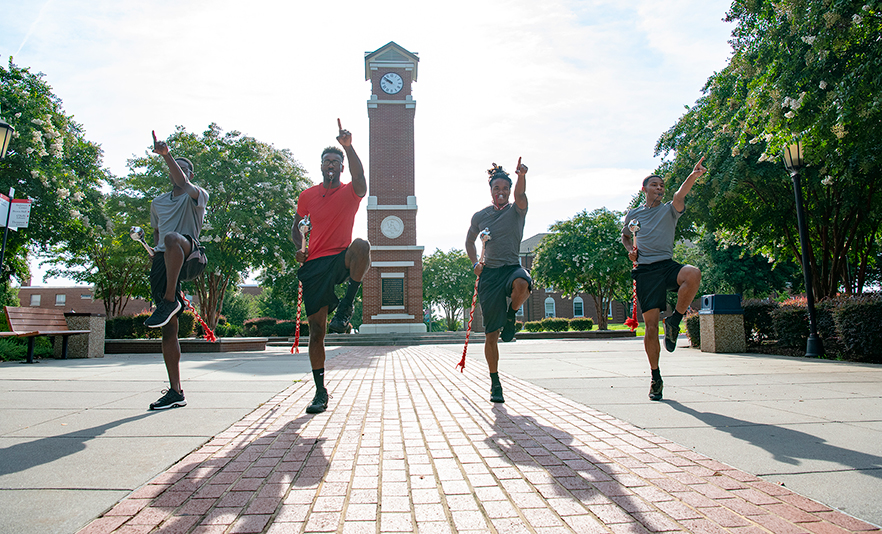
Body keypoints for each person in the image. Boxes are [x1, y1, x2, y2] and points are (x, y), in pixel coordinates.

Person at [293, 119, 370, 414]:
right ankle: (320, 391)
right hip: (314, 264)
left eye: (336, 162)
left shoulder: (350, 192)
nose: (331, 165)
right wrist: (298, 248)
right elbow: (295, 228)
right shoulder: (307, 195)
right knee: (316, 332)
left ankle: (347, 307)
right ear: (321, 165)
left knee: (362, 245)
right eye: (327, 161)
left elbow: (361, 178)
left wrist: (348, 148)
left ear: (341, 168)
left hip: (341, 258)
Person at [621, 157, 706, 401]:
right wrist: (630, 250)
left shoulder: (670, 208)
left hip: (667, 265)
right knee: (649, 327)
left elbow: (680, 194)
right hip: (646, 271)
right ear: (644, 188)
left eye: (662, 186)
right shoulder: (634, 214)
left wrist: (693, 175)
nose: (660, 188)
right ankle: (655, 377)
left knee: (693, 273)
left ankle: (675, 320)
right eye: (655, 185)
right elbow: (626, 236)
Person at [145, 131, 209, 410]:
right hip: (165, 260)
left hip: (190, 253)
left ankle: (172, 300)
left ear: (189, 174)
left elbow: (183, 184)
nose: (180, 172)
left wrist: (167, 154)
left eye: (185, 169)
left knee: (173, 238)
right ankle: (175, 391)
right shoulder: (157, 203)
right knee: (168, 330)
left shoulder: (196, 195)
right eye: (176, 168)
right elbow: (158, 234)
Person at [465, 160, 532, 404]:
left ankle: (511, 314)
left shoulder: (518, 209)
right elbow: (469, 241)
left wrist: (521, 176)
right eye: (497, 188)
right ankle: (495, 382)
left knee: (523, 284)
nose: (501, 191)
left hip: (512, 267)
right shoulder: (481, 216)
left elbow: (521, 193)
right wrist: (475, 264)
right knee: (491, 335)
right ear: (491, 190)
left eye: (505, 187)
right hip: (490, 275)